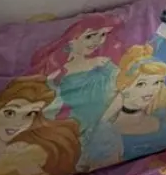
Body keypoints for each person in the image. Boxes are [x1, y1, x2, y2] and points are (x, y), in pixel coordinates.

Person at [31, 14, 122, 164]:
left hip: (102, 132)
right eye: (90, 36)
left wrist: (101, 124)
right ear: (72, 39)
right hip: (70, 134)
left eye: (102, 35)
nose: (97, 41)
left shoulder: (104, 65)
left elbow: (123, 92)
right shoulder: (55, 74)